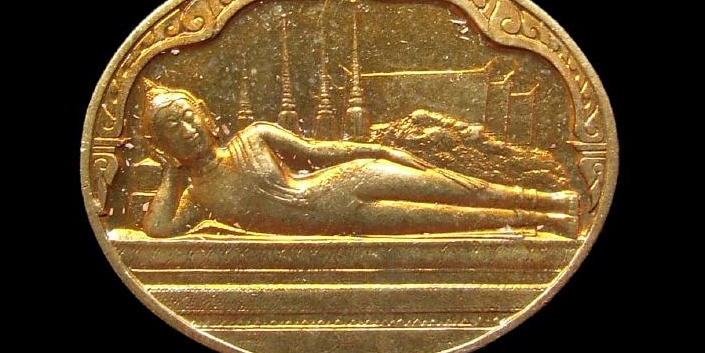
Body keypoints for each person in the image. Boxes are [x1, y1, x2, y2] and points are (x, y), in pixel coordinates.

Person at [140, 81, 579, 238]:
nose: (186, 129)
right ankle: (546, 220)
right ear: (163, 143)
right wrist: (171, 171)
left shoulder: (254, 137)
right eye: (171, 128)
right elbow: (158, 229)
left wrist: (378, 149)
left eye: (188, 116)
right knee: (449, 217)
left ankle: (549, 198)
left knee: (456, 187)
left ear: (206, 116)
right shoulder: (198, 196)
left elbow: (318, 152)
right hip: (343, 217)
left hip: (348, 179)